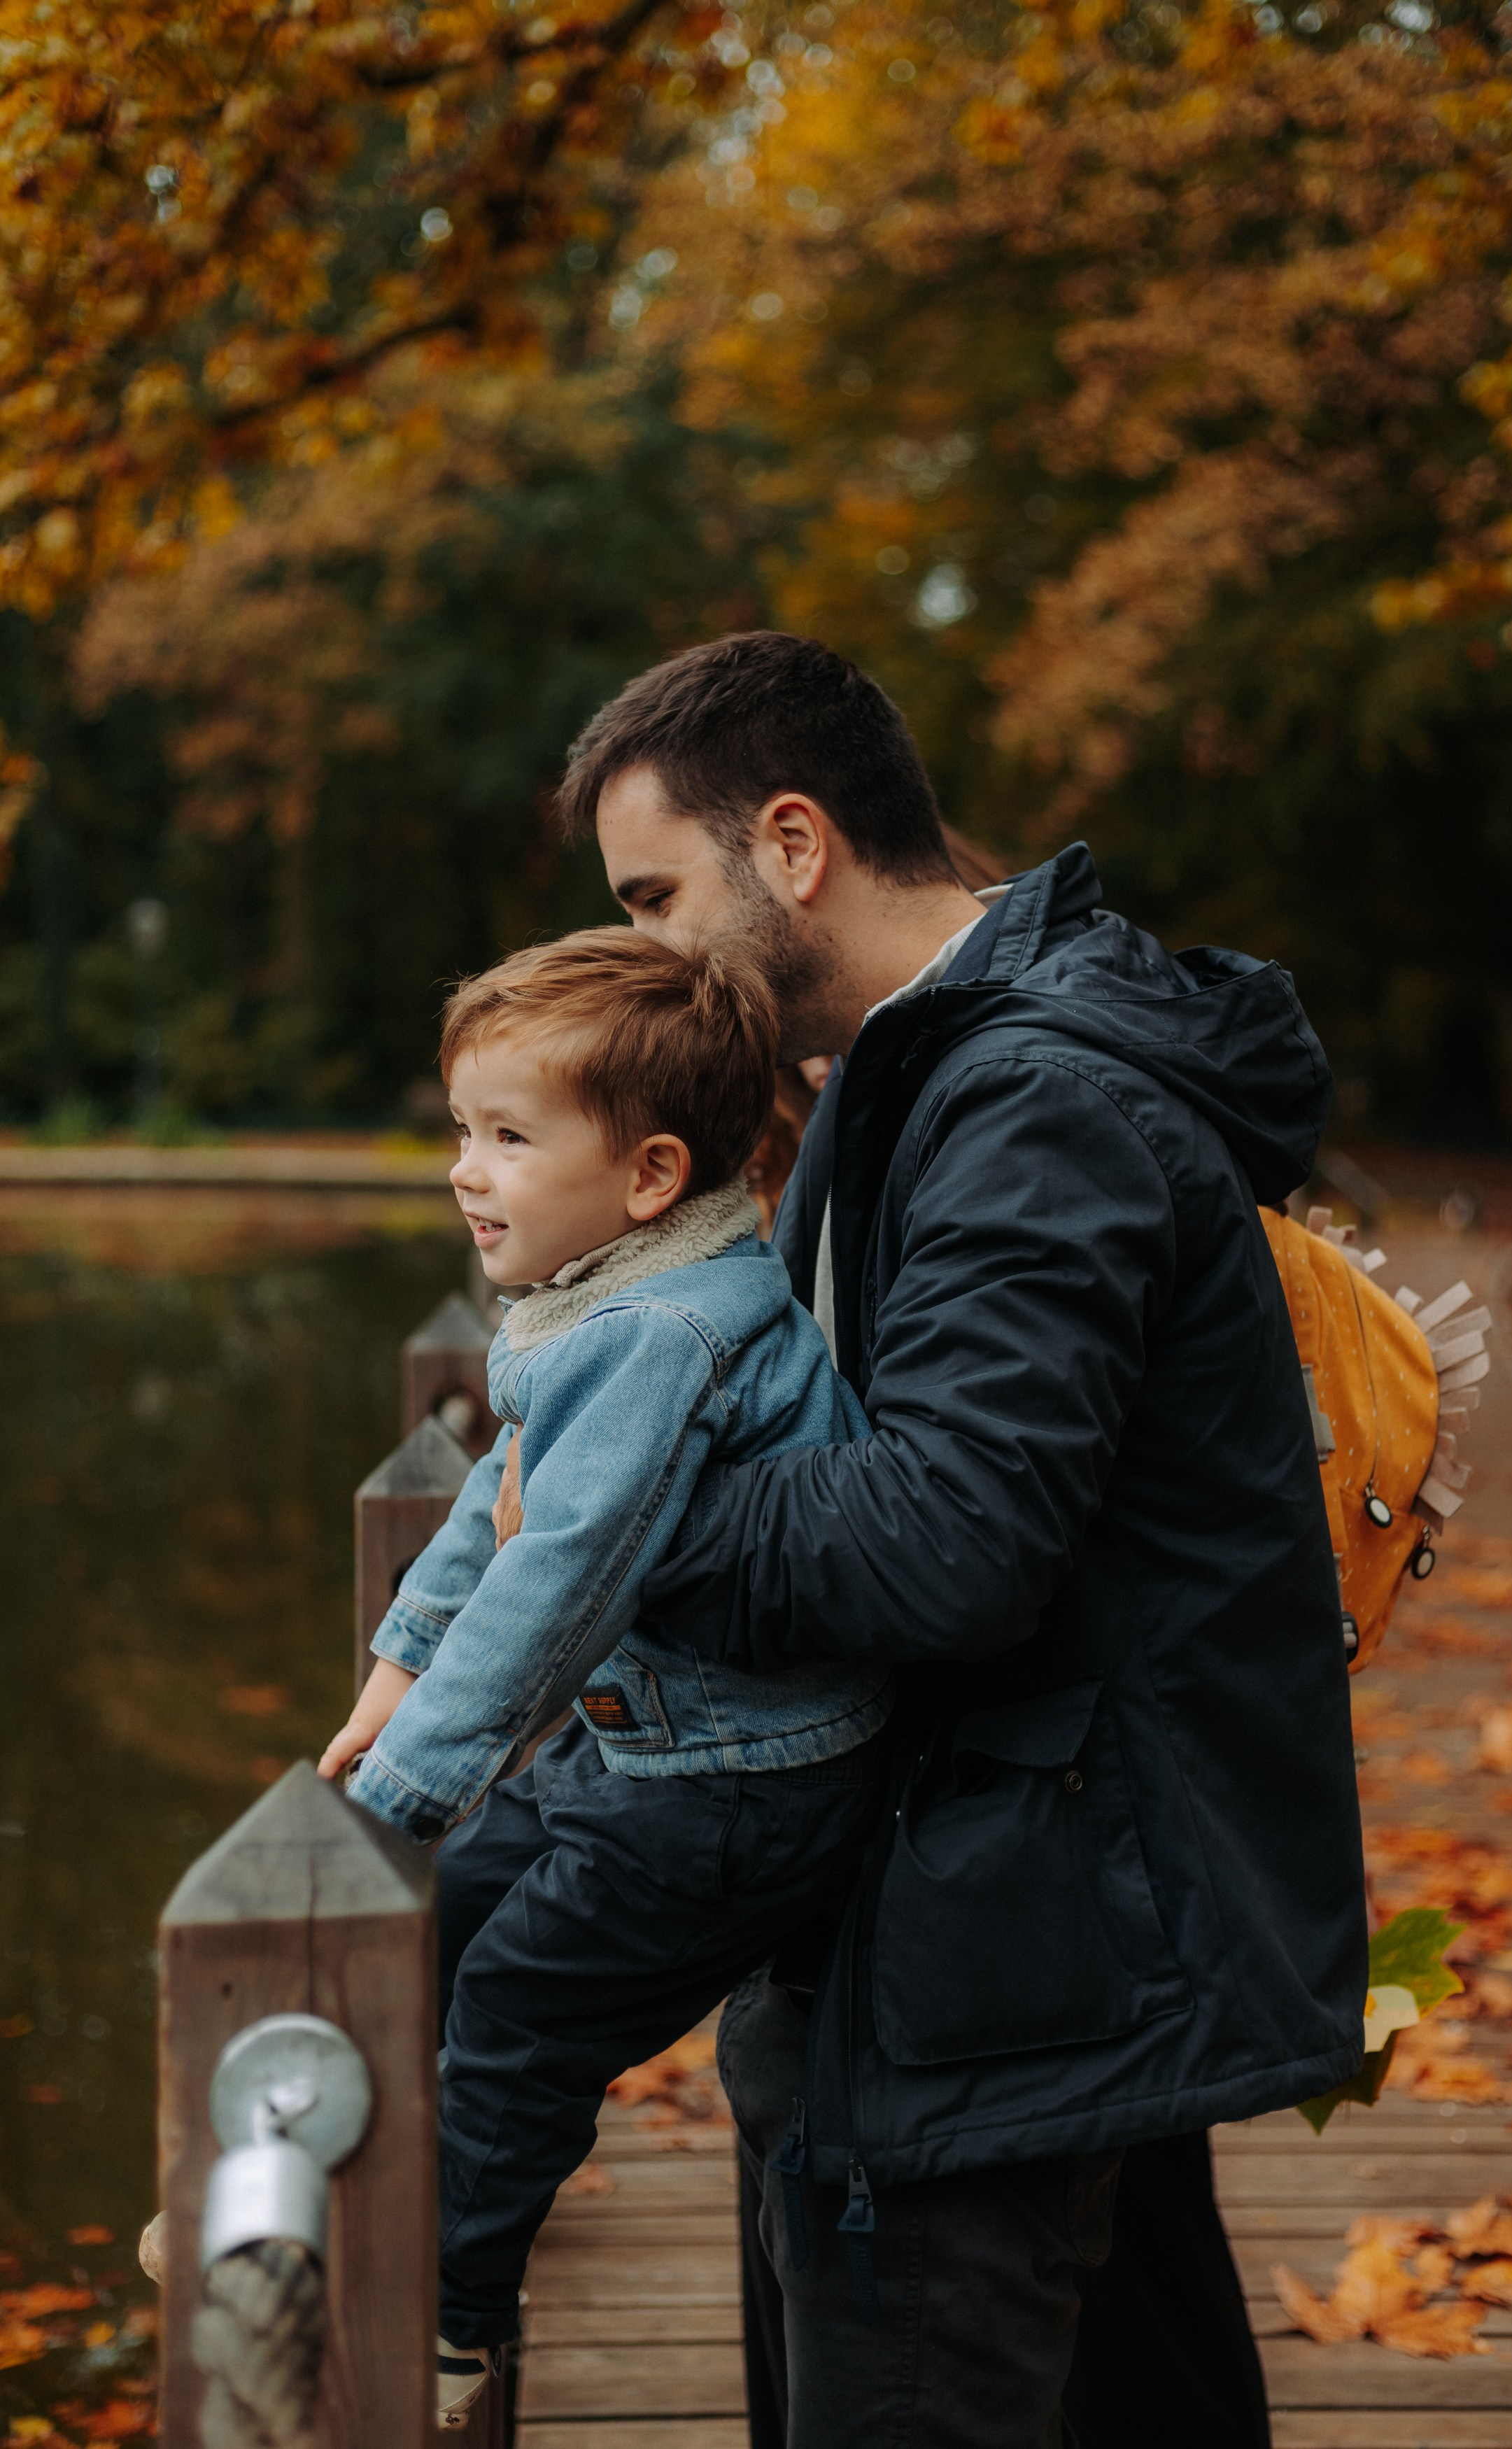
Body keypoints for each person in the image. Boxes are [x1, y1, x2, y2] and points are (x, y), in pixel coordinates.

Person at [554, 630, 1369, 2448]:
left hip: (1017, 1936)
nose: (639, 955)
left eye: (653, 893)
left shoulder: (1024, 1099)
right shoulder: (913, 1069)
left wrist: (606, 1519)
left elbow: (945, 1537)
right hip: (1034, 1896)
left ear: (791, 841)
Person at [318, 928, 896, 2429]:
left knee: (515, 2015)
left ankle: (441, 2318)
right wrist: (395, 1670)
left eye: (508, 1137)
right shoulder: (606, 1292)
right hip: (653, 1750)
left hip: (742, 1783)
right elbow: (493, 1490)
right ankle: (336, 2207)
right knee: (437, 1930)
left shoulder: (656, 1331)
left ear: (646, 1174)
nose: (466, 1169)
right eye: (463, 1130)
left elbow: (556, 1574)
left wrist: (413, 1787)